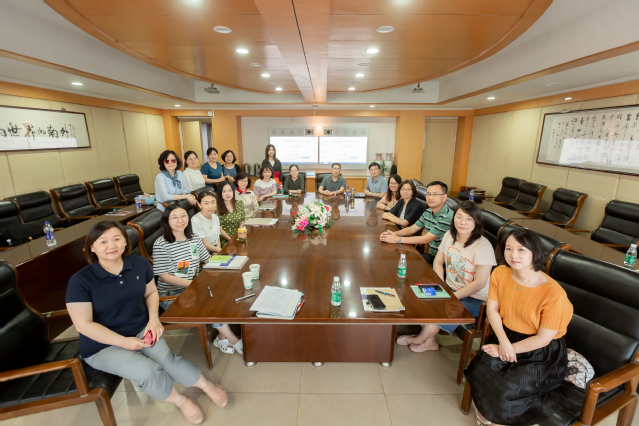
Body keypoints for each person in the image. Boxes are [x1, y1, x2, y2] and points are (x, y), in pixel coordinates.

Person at [66, 221, 228, 425]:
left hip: (141, 329)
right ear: (91, 247)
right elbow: (83, 325)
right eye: (103, 241)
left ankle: (206, 386)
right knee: (148, 371)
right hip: (102, 346)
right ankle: (180, 400)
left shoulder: (139, 264)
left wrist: (153, 320)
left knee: (167, 360)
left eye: (116, 239)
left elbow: (151, 293)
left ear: (126, 242)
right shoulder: (80, 281)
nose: (111, 245)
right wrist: (123, 342)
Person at [465, 229, 573, 426]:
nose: (513, 255)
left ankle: (499, 421)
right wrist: (503, 342)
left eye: (521, 249)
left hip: (541, 351)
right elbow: (492, 310)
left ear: (535, 253)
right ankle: (489, 414)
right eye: (508, 248)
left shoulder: (554, 295)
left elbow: (543, 339)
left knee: (509, 388)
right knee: (480, 370)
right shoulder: (500, 273)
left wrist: (507, 349)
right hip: (506, 336)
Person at [396, 201, 496, 352]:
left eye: (469, 219)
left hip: (475, 297)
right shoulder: (449, 235)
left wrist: (452, 296)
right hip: (450, 288)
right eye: (459, 217)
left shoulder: (483, 246)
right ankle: (430, 342)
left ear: (476, 222)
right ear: (453, 217)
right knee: (419, 300)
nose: (463, 222)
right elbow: (438, 262)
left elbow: (480, 283)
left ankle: (418, 339)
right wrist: (441, 286)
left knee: (439, 314)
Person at [379, 180, 453, 266]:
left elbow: (426, 239)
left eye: (435, 194)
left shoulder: (448, 217)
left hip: (446, 261)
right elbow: (412, 229)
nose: (430, 197)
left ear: (444, 197)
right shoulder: (428, 212)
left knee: (408, 268)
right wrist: (393, 234)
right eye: (428, 194)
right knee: (400, 262)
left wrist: (397, 239)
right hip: (433, 256)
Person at [152, 204, 210, 308]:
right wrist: (193, 283)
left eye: (183, 216)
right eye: (174, 217)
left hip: (193, 287)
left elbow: (207, 260)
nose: (180, 221)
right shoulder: (161, 244)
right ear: (166, 221)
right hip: (172, 294)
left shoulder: (194, 238)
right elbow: (165, 277)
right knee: (204, 309)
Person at [191, 190, 227, 254]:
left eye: (213, 202)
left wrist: (218, 248)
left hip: (216, 250)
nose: (210, 206)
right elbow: (205, 244)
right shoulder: (195, 220)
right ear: (199, 204)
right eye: (206, 203)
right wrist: (220, 251)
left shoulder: (215, 217)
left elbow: (217, 235)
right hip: (203, 253)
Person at [215, 181, 246, 248]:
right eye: (224, 191)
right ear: (220, 193)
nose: (228, 194)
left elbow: (242, 220)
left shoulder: (239, 203)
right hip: (225, 240)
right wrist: (231, 240)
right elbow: (219, 230)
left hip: (239, 237)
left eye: (230, 190)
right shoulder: (216, 208)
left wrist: (240, 233)